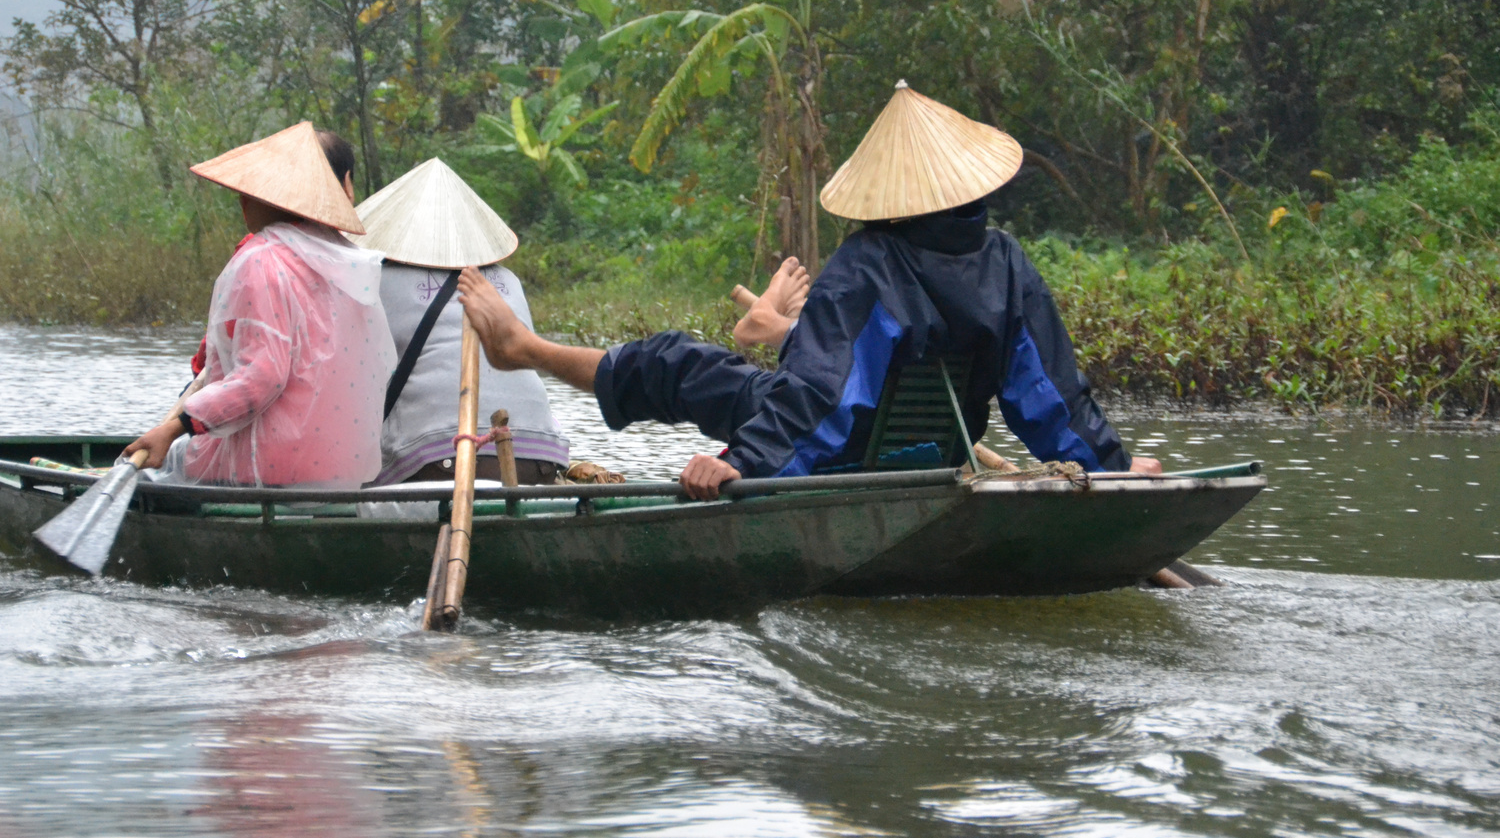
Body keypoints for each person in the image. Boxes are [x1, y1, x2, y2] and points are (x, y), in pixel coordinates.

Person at [457, 81, 1161, 500]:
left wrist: (739, 466)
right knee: (723, 371)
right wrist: (1116, 472)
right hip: (934, 453)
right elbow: (1050, 397)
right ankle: (536, 348)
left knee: (679, 362)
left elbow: (819, 399)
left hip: (847, 457)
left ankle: (524, 348)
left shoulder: (868, 264)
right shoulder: (1006, 262)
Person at [123, 122, 395, 487]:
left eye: (247, 191)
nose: (241, 200)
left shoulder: (261, 258)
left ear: (263, 197)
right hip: (342, 472)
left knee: (155, 466)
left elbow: (262, 377)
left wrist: (175, 428)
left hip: (262, 466)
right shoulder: (353, 263)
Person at [349, 157, 571, 485]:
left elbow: (358, 381)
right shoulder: (508, 281)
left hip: (441, 459)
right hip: (540, 457)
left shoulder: (379, 279)